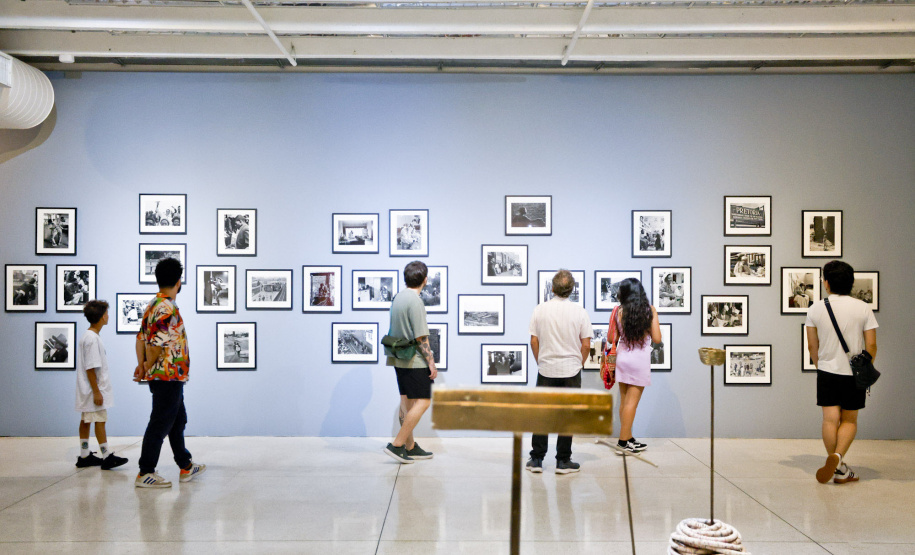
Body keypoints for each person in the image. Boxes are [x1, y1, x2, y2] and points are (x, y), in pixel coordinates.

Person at [134, 258, 205, 488]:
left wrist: (142, 364)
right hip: (167, 375)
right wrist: (146, 365)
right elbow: (156, 344)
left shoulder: (152, 305)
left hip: (169, 376)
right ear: (178, 281)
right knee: (160, 422)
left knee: (177, 420)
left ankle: (185, 465)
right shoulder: (167, 308)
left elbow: (141, 339)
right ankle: (145, 472)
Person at [806, 260, 878, 485]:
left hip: (827, 371)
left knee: (829, 420)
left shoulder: (815, 308)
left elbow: (812, 346)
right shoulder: (863, 308)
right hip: (853, 374)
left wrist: (820, 366)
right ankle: (838, 459)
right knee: (849, 420)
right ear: (851, 282)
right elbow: (872, 345)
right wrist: (864, 368)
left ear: (827, 283)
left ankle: (838, 467)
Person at [527, 270, 592, 474]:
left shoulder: (540, 310)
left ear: (553, 289)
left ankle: (536, 459)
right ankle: (563, 461)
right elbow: (586, 345)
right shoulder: (580, 312)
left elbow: (534, 341)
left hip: (546, 369)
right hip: (571, 371)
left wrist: (541, 361)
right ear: (571, 290)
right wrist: (578, 364)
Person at [384, 261, 438, 464]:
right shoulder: (415, 301)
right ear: (425, 280)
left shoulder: (398, 297)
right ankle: (397, 445)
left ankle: (410, 446)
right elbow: (421, 337)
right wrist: (431, 362)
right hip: (414, 360)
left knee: (406, 402)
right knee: (424, 401)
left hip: (398, 357)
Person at [603, 278, 662, 454]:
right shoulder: (649, 310)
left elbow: (611, 338)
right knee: (631, 404)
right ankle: (623, 443)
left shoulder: (618, 311)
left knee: (624, 401)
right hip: (639, 360)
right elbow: (657, 338)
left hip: (622, 358)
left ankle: (628, 437)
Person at [74, 300, 128, 470]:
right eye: (107, 313)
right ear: (103, 316)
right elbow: (91, 368)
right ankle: (106, 456)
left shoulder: (89, 336)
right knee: (100, 420)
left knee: (86, 420)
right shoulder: (92, 339)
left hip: (88, 389)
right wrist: (97, 392)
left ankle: (84, 455)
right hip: (94, 390)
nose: (108, 316)